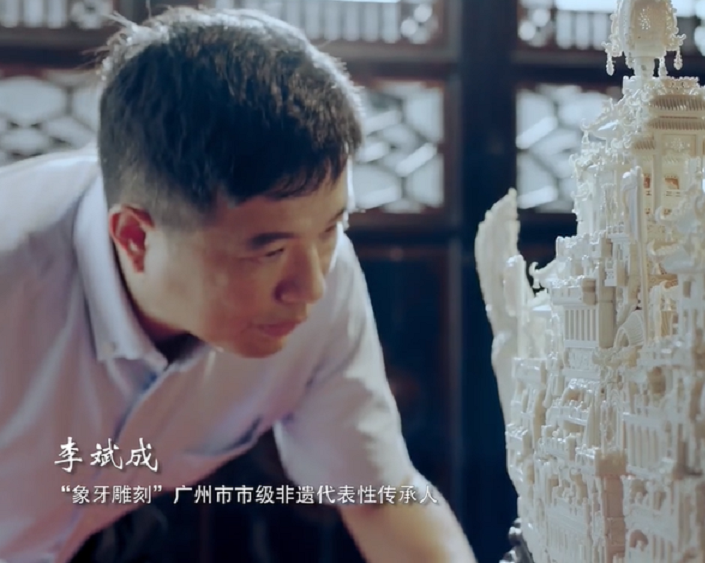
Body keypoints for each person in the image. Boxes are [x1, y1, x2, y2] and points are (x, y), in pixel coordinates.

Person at [0, 7, 475, 563]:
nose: (310, 287)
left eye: (331, 228)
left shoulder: (318, 271)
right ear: (135, 237)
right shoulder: (16, 281)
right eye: (267, 251)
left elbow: (378, 496)